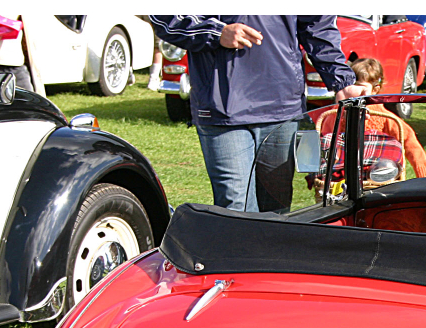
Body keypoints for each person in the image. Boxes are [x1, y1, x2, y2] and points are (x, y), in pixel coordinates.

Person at [149, 15, 366, 213]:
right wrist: (215, 33)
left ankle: (272, 256)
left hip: (282, 105)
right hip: (223, 107)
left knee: (277, 209)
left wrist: (342, 81)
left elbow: (317, 24)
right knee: (236, 208)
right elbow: (165, 16)